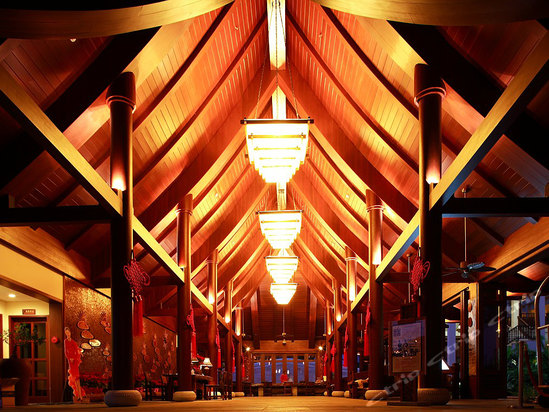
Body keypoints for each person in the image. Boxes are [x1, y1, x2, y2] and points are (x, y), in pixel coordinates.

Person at [64, 327, 85, 402]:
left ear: (70, 333)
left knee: (77, 378)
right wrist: (70, 358)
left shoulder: (73, 342)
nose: (67, 334)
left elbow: (76, 349)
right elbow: (66, 352)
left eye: (68, 332)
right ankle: (79, 395)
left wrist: (78, 355)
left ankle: (80, 396)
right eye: (66, 333)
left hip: (75, 361)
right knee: (75, 378)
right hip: (71, 361)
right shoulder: (65, 341)